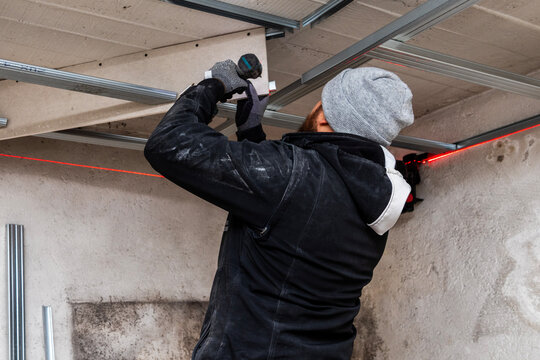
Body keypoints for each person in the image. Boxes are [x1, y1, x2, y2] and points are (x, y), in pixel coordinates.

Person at [144, 60, 414, 360]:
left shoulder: (291, 175)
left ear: (323, 118)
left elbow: (168, 144)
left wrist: (213, 86)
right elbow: (290, 226)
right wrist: (251, 135)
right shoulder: (374, 205)